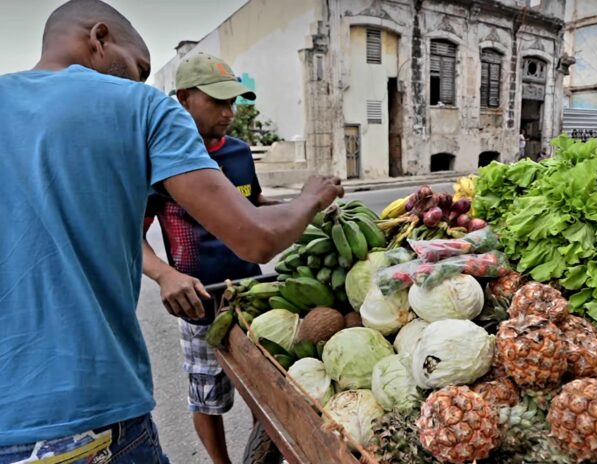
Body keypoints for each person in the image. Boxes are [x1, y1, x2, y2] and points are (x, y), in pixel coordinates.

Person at [0, 1, 342, 462]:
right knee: (205, 394)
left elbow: (253, 206)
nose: (139, 81)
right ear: (99, 38)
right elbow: (257, 236)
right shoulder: (142, 107)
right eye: (138, 67)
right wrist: (311, 198)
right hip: (91, 417)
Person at [142, 53, 278, 464]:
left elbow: (254, 205)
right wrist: (166, 275)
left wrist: (303, 209)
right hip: (199, 302)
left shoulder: (238, 152)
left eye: (233, 101)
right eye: (217, 102)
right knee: (207, 397)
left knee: (268, 391)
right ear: (183, 98)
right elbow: (130, 237)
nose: (229, 112)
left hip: (251, 295)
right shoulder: (159, 161)